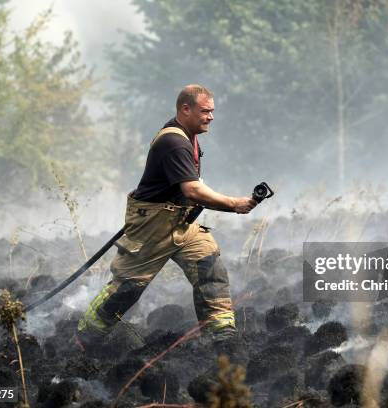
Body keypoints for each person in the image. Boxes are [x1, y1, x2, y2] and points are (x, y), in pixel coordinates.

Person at [75, 84, 257, 351]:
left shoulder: (189, 138)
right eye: (205, 111)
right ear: (186, 109)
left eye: (213, 111)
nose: (211, 117)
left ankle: (223, 338)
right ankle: (85, 340)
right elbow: (192, 190)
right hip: (152, 227)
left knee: (210, 267)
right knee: (127, 290)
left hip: (181, 224)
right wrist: (234, 204)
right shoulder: (174, 142)